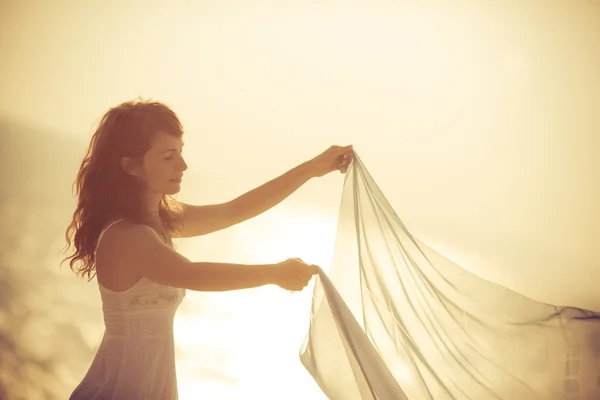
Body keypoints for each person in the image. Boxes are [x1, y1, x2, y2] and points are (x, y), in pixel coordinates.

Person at [62, 98, 353, 399]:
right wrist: (273, 273)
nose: (183, 165)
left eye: (181, 152)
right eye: (167, 156)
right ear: (131, 167)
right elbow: (191, 274)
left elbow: (235, 210)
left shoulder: (160, 220)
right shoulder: (126, 236)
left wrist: (314, 168)